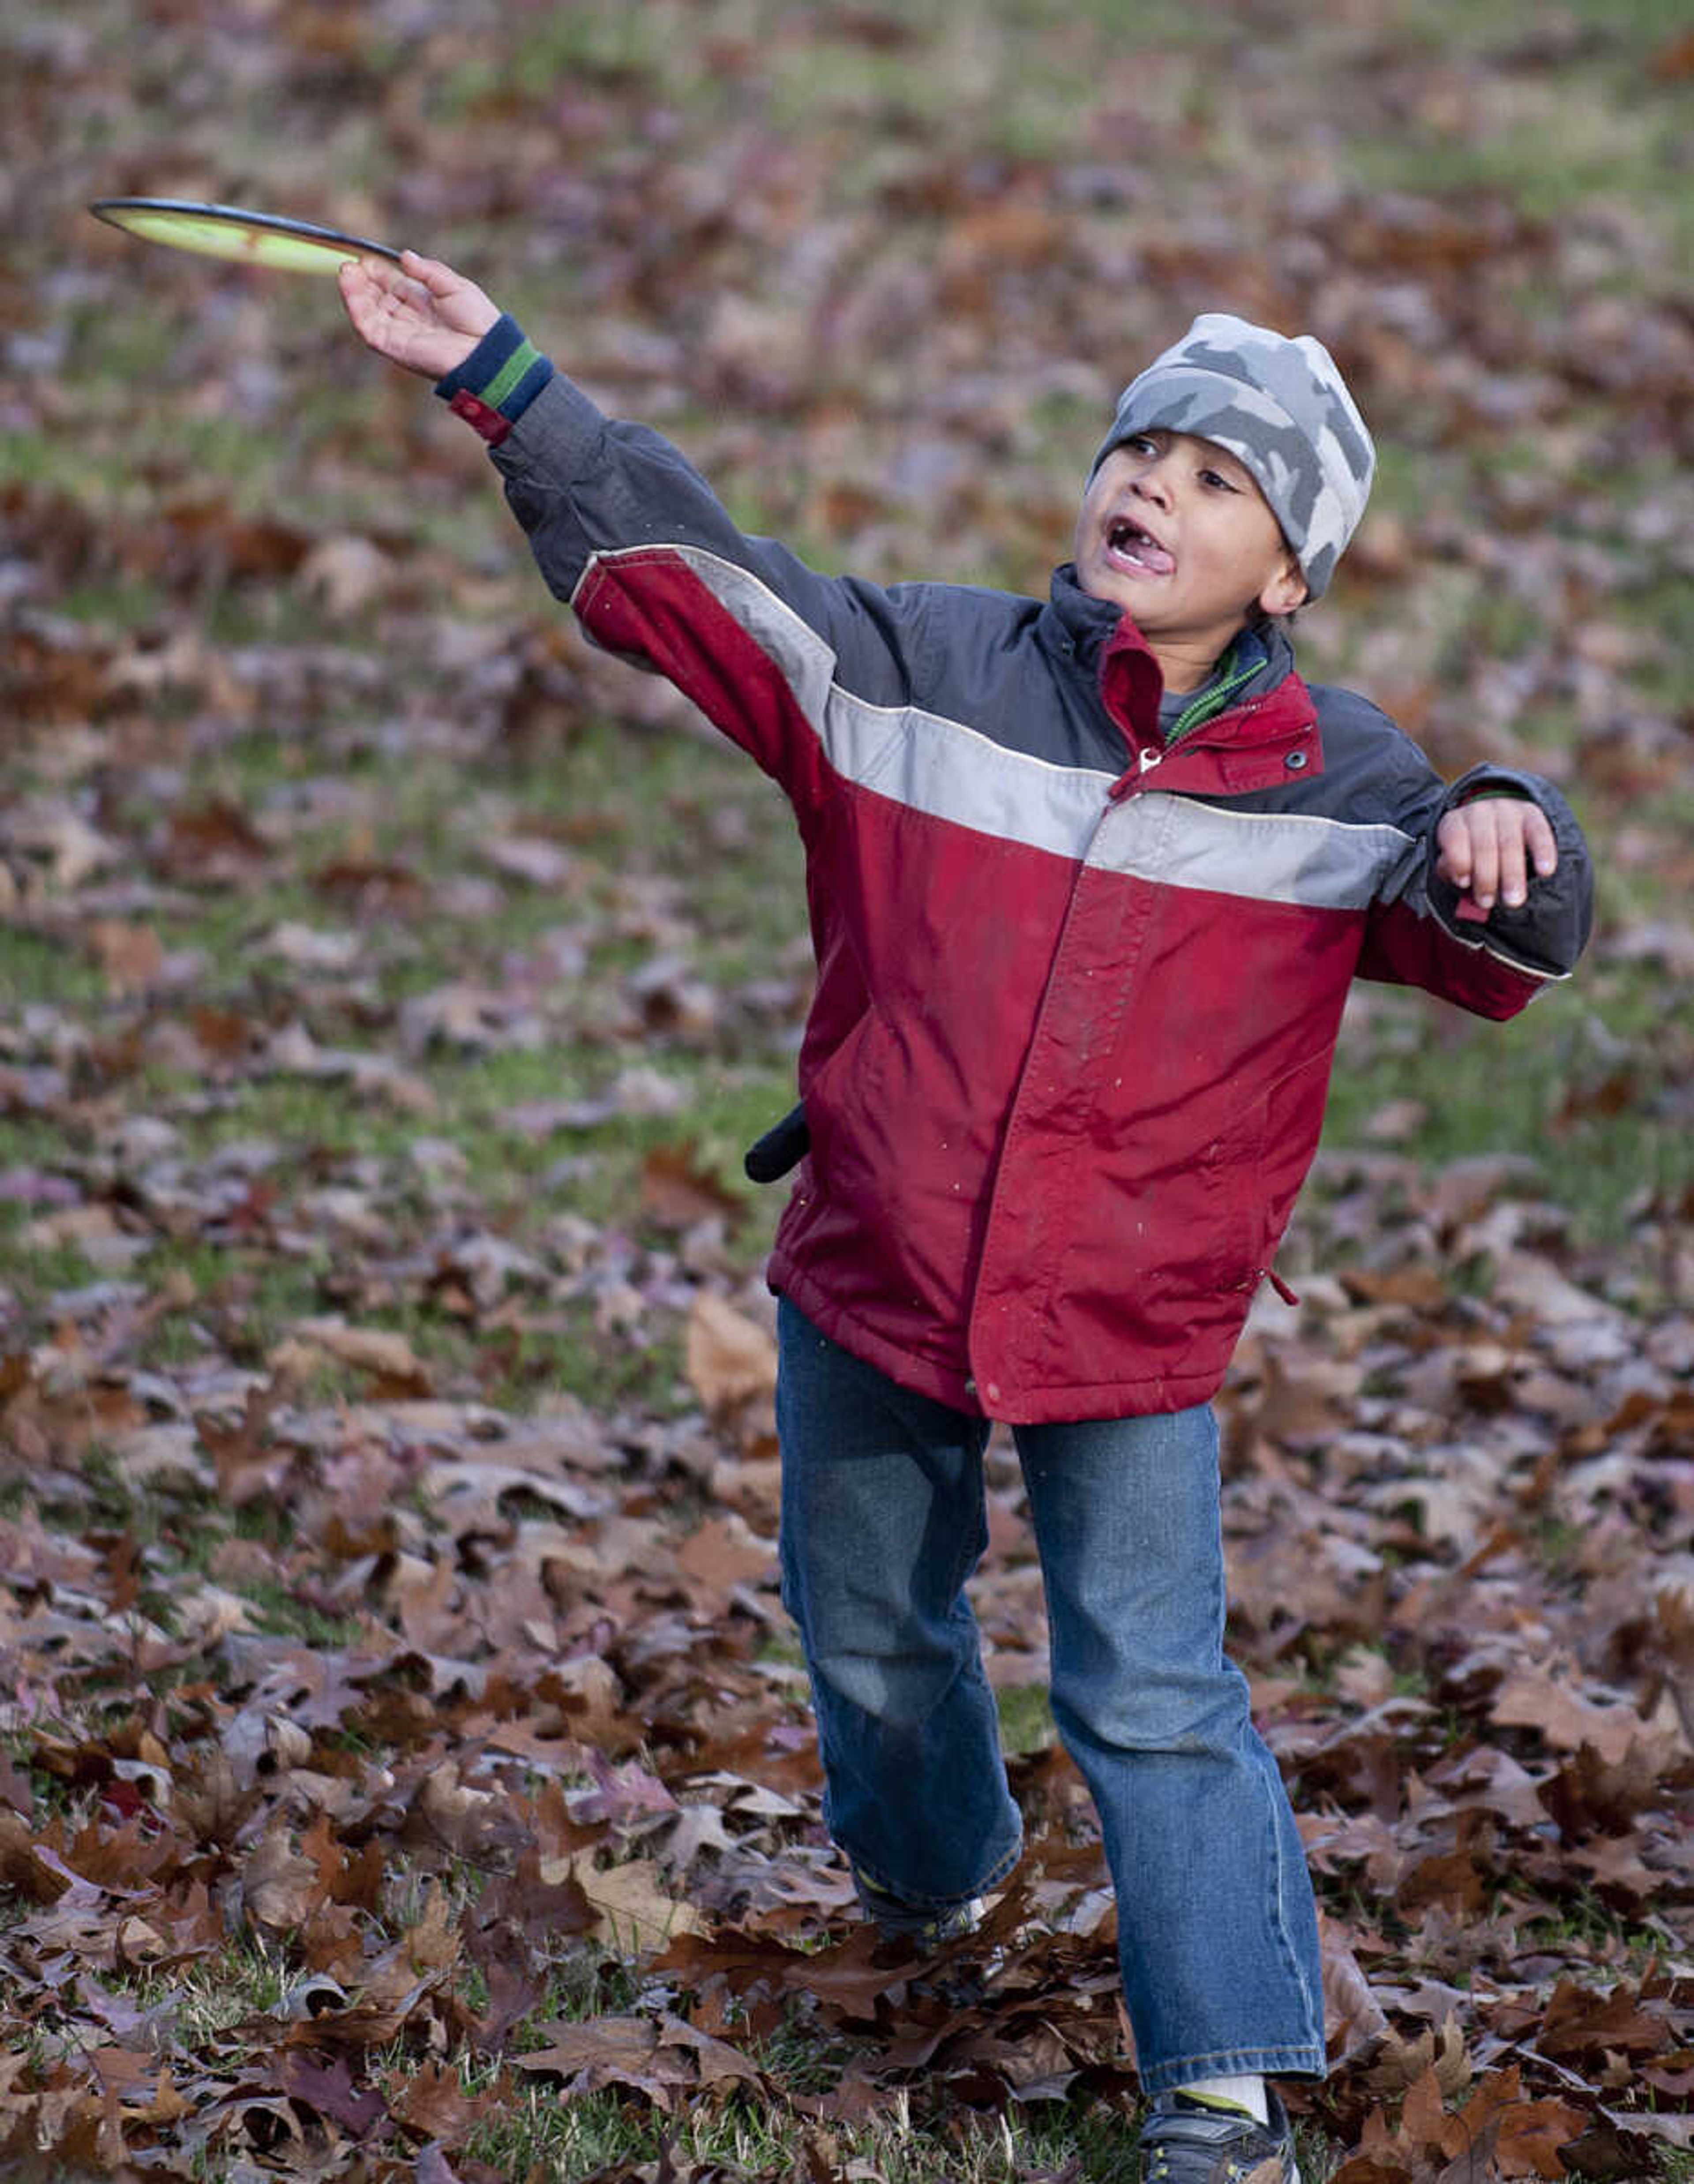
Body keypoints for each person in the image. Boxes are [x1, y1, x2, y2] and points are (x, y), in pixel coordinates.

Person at [340, 251, 1591, 2184]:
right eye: (1144, 446)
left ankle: (1225, 2087)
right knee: (871, 1637)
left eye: (1219, 477)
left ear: (1288, 577)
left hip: (1134, 1321)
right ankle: (935, 1873)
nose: (1158, 484)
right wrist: (510, 383)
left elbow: (1492, 919)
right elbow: (706, 585)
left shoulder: (1344, 788)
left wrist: (1516, 825)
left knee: (1155, 1684)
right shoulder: (920, 672)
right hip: (883, 1264)